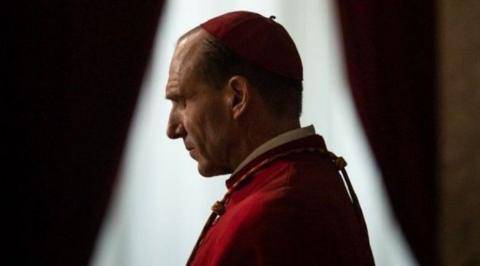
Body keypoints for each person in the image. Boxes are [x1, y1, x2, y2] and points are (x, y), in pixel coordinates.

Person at [165, 10, 375, 266]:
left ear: (237, 97)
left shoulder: (272, 214)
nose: (172, 129)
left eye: (182, 102)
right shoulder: (307, 179)